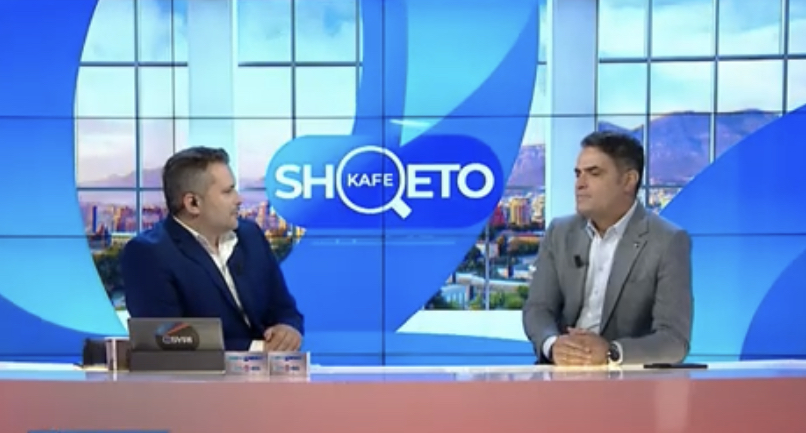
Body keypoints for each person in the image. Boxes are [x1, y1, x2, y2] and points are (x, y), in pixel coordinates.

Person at [522, 131, 692, 366]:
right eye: (578, 174)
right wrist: (553, 345)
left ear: (628, 181)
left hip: (626, 379)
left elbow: (674, 340)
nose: (580, 184)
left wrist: (612, 353)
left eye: (594, 173)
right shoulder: (560, 232)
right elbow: (538, 309)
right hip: (560, 372)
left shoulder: (667, 240)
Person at [120, 146, 304, 352]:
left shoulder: (250, 236)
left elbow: (284, 309)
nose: (239, 199)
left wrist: (288, 329)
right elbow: (167, 340)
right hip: (202, 374)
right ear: (193, 203)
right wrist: (256, 349)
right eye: (228, 191)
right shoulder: (149, 254)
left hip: (272, 370)